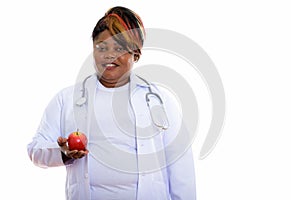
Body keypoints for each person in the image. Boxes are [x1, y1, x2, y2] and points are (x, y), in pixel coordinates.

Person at [27, 6, 196, 200]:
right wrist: (63, 153)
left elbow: (181, 170)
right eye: (102, 47)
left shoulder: (161, 101)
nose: (109, 55)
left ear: (136, 54)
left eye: (119, 48)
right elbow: (35, 149)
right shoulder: (67, 99)